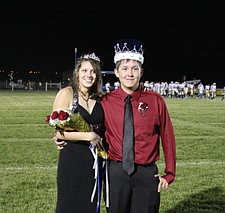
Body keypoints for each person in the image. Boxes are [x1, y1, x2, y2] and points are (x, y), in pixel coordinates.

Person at [101, 39, 176, 213]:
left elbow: (167, 137)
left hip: (146, 174)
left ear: (141, 72)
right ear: (116, 72)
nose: (130, 73)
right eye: (125, 69)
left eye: (134, 69)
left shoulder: (155, 100)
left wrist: (170, 172)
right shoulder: (105, 101)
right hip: (116, 172)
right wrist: (63, 137)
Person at [52, 52, 105, 213]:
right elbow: (59, 132)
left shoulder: (100, 98)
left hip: (94, 161)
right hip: (72, 159)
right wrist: (89, 136)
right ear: (77, 73)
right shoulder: (67, 93)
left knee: (89, 204)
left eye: (93, 71)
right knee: (69, 204)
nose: (89, 75)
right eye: (85, 71)